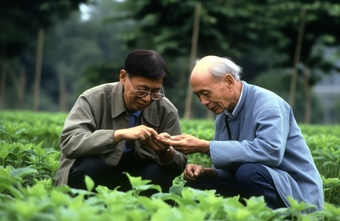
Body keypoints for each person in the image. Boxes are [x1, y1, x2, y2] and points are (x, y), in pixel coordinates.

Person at [157, 55, 323, 211]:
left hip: (295, 192)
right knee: (198, 186)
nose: (203, 102)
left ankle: (274, 220)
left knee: (248, 172)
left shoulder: (268, 104)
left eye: (206, 93)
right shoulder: (223, 113)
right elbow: (230, 170)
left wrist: (206, 147)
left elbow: (271, 152)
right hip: (253, 179)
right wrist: (206, 172)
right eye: (198, 95)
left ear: (229, 81)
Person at [55, 49, 187, 194]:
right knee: (90, 164)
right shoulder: (93, 98)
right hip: (98, 174)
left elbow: (179, 164)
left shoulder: (166, 110)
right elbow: (69, 142)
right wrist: (118, 135)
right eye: (141, 90)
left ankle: (148, 215)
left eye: (155, 91)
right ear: (123, 77)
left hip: (134, 181)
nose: (147, 98)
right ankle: (82, 212)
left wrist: (164, 151)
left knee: (158, 172)